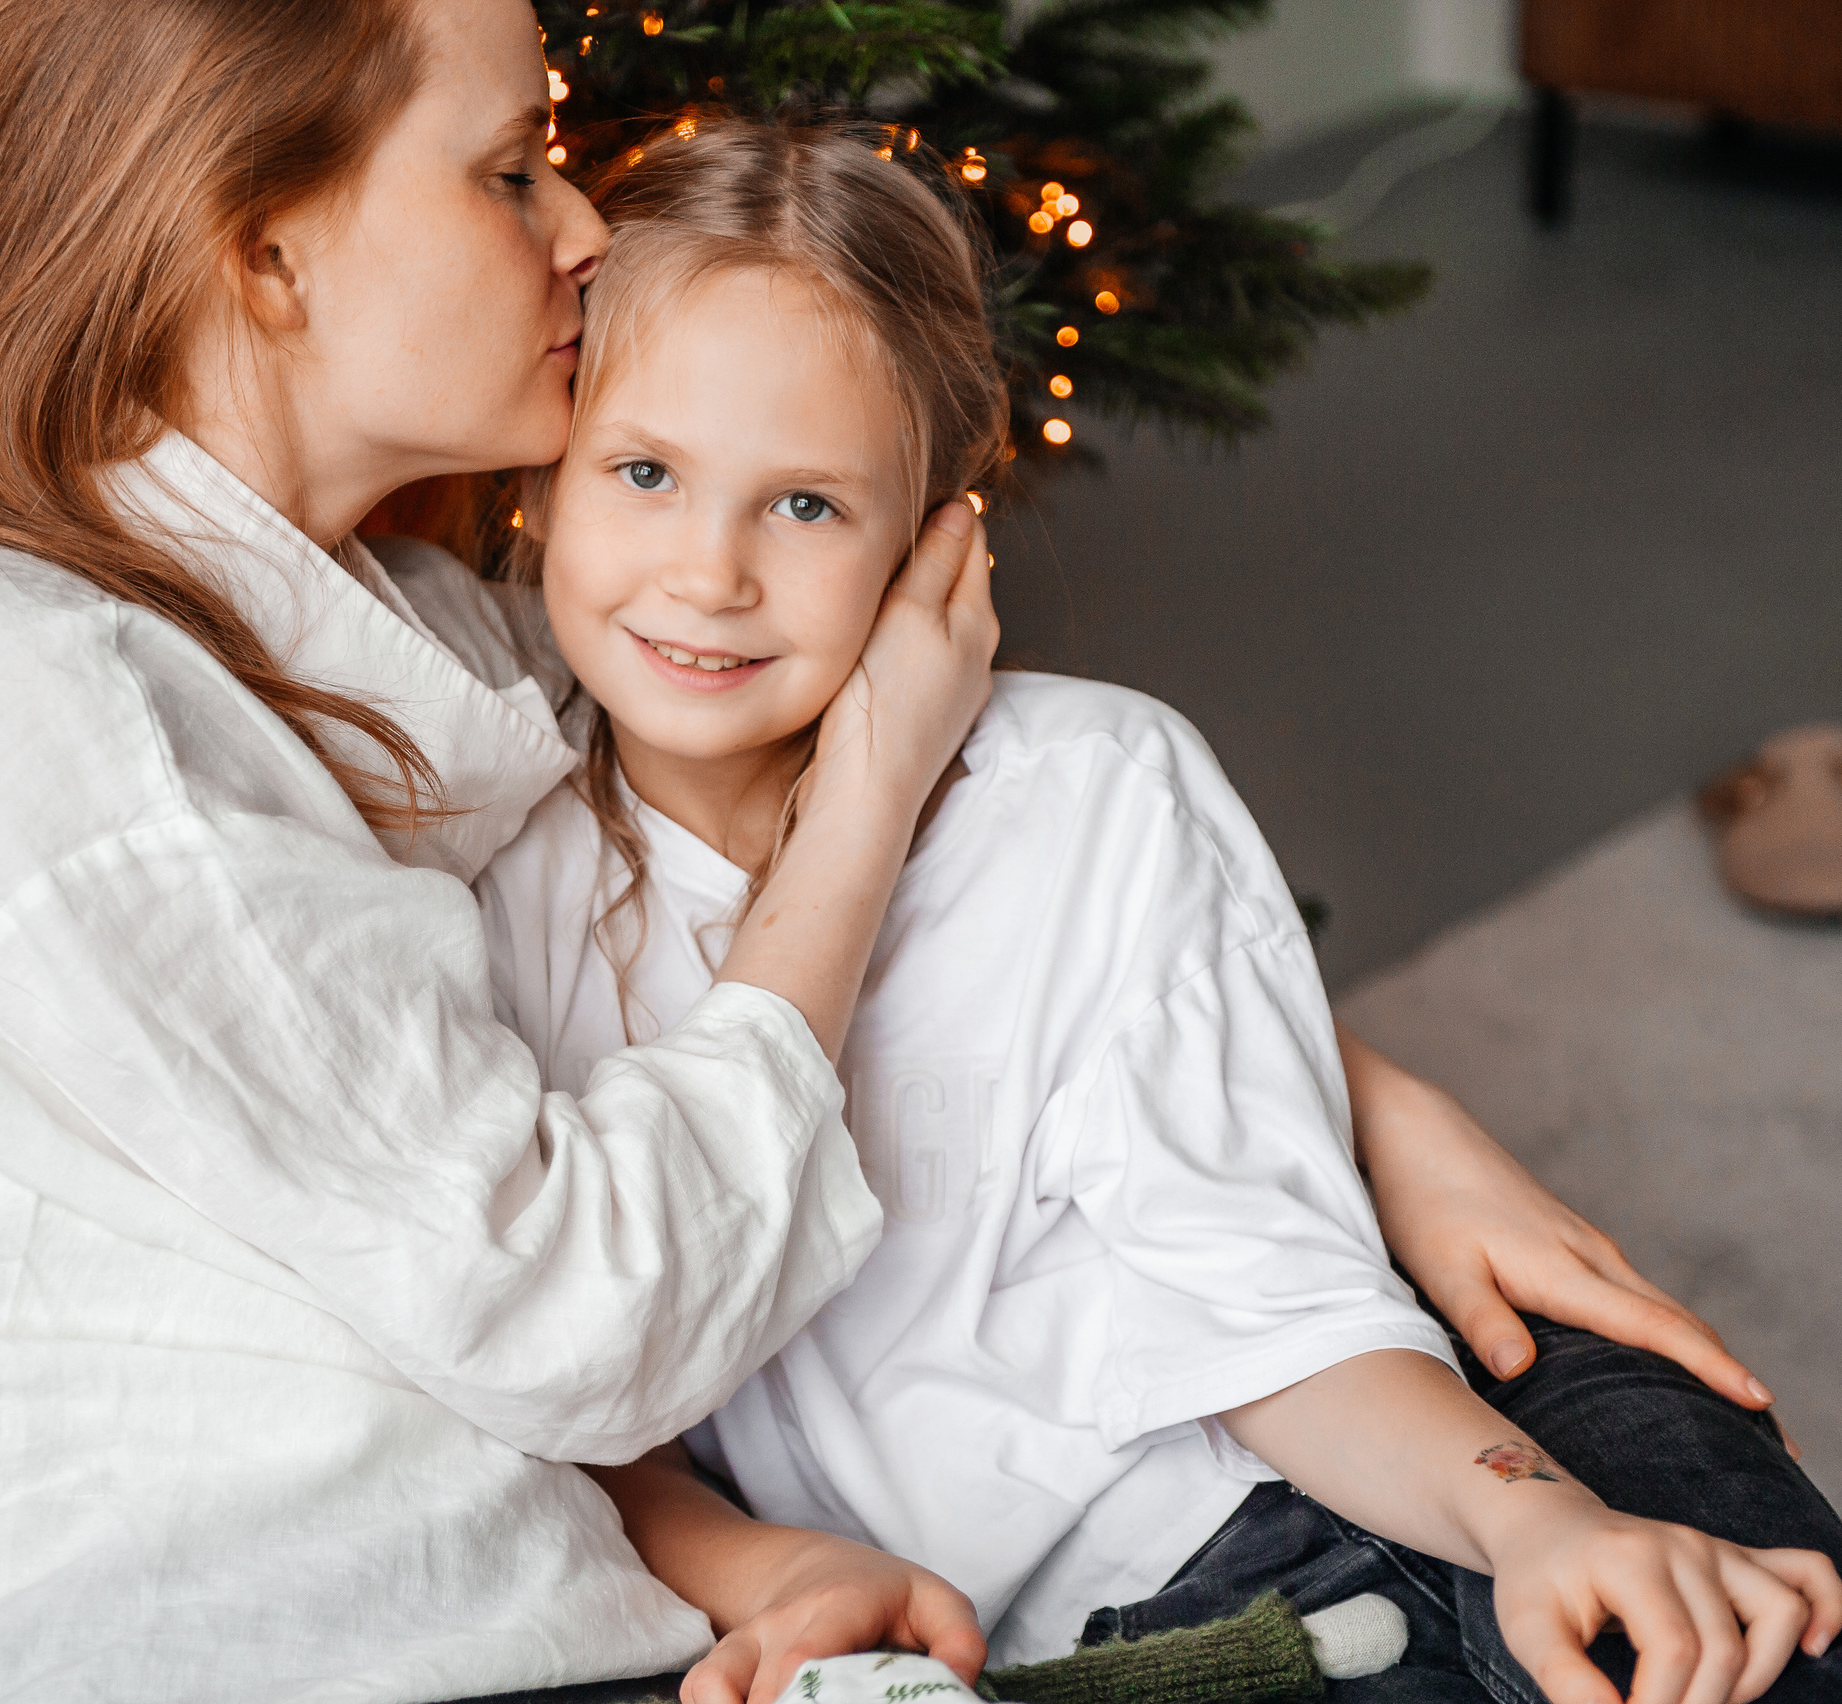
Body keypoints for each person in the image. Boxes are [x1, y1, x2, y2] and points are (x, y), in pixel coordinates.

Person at [0, 3, 995, 1699]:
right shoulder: (24, 707)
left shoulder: (404, 629)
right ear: (271, 256)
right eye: (511, 174)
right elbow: (578, 1308)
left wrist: (1348, 1102)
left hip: (550, 1613)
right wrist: (871, 799)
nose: (586, 233)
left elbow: (802, 760)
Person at [471, 115, 1842, 1704]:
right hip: (976, 1646)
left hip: (1323, 1524)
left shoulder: (1101, 790)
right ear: (542, 483)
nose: (707, 573)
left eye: (805, 507)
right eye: (645, 473)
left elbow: (1269, 1304)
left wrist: (1535, 1517)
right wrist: (769, 1571)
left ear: (934, 540)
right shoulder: (488, 887)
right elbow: (558, 1406)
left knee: (1742, 1630)